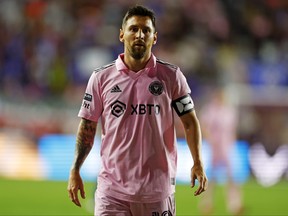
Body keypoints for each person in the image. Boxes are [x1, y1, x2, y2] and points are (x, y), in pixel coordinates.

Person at [67, 5, 208, 216]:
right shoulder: (101, 78)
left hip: (157, 192)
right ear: (122, 34)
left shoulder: (171, 76)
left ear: (155, 37)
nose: (139, 35)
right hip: (112, 193)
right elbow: (87, 125)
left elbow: (190, 121)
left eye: (146, 30)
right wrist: (75, 169)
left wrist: (197, 162)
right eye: (133, 29)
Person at [199, 87, 243, 215]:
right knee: (211, 178)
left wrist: (232, 144)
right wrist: (210, 139)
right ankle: (206, 204)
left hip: (226, 148)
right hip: (214, 148)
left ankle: (235, 205)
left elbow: (232, 130)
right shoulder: (210, 110)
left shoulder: (229, 111)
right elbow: (204, 126)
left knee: (231, 177)